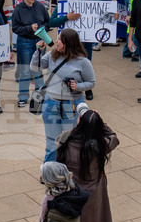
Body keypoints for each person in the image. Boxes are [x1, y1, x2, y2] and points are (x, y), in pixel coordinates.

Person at [56, 109, 117, 222]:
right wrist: (99, 123)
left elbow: (57, 152)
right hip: (95, 195)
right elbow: (114, 136)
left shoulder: (67, 141)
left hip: (71, 192)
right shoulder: (101, 145)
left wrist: (80, 124)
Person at [32, 29, 95, 163]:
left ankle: (68, 170)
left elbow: (91, 82)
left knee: (69, 141)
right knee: (51, 141)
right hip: (50, 103)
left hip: (71, 106)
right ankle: (49, 172)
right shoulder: (51, 55)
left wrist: (77, 87)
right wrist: (38, 51)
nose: (56, 41)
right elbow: (35, 67)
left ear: (68, 43)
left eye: (60, 39)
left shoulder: (83, 62)